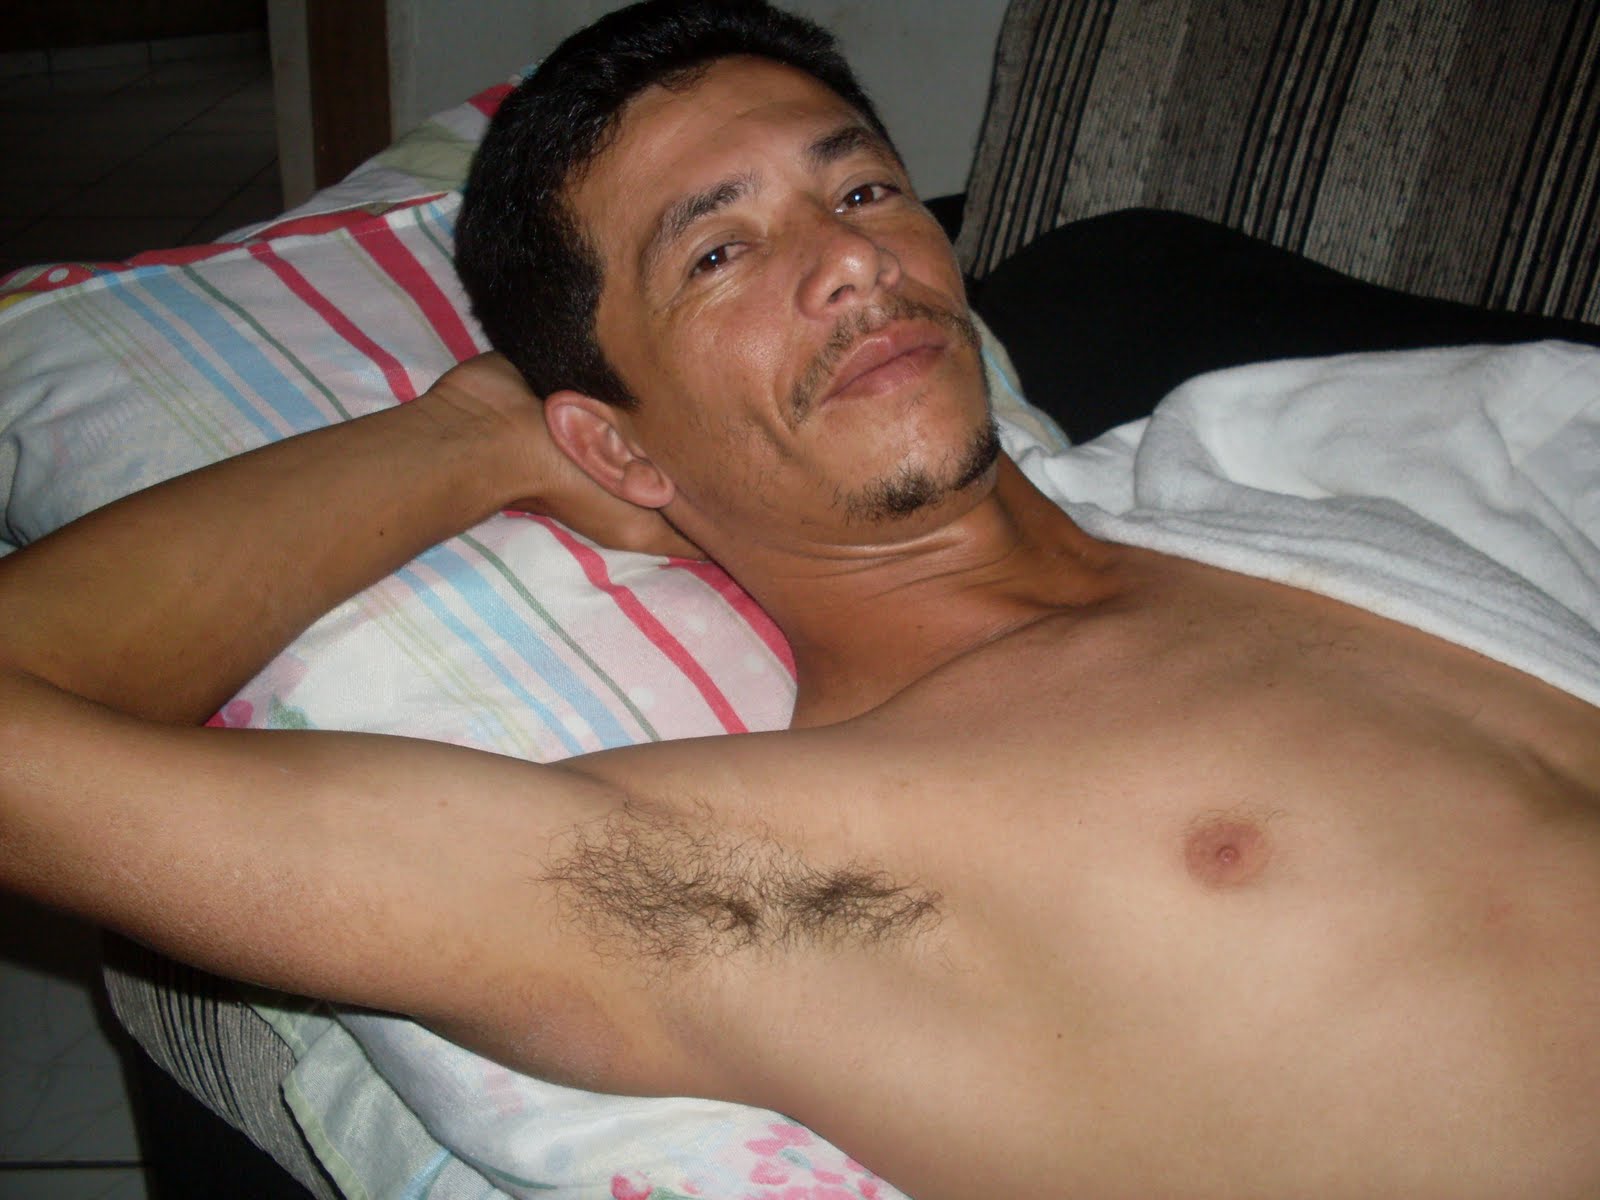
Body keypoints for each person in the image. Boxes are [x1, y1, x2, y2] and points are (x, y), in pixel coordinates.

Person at [2, 1, 1598, 1196]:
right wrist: (465, 440)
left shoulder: (1307, 469)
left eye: (864, 193)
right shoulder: (762, 878)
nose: (851, 264)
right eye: (716, 255)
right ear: (614, 442)